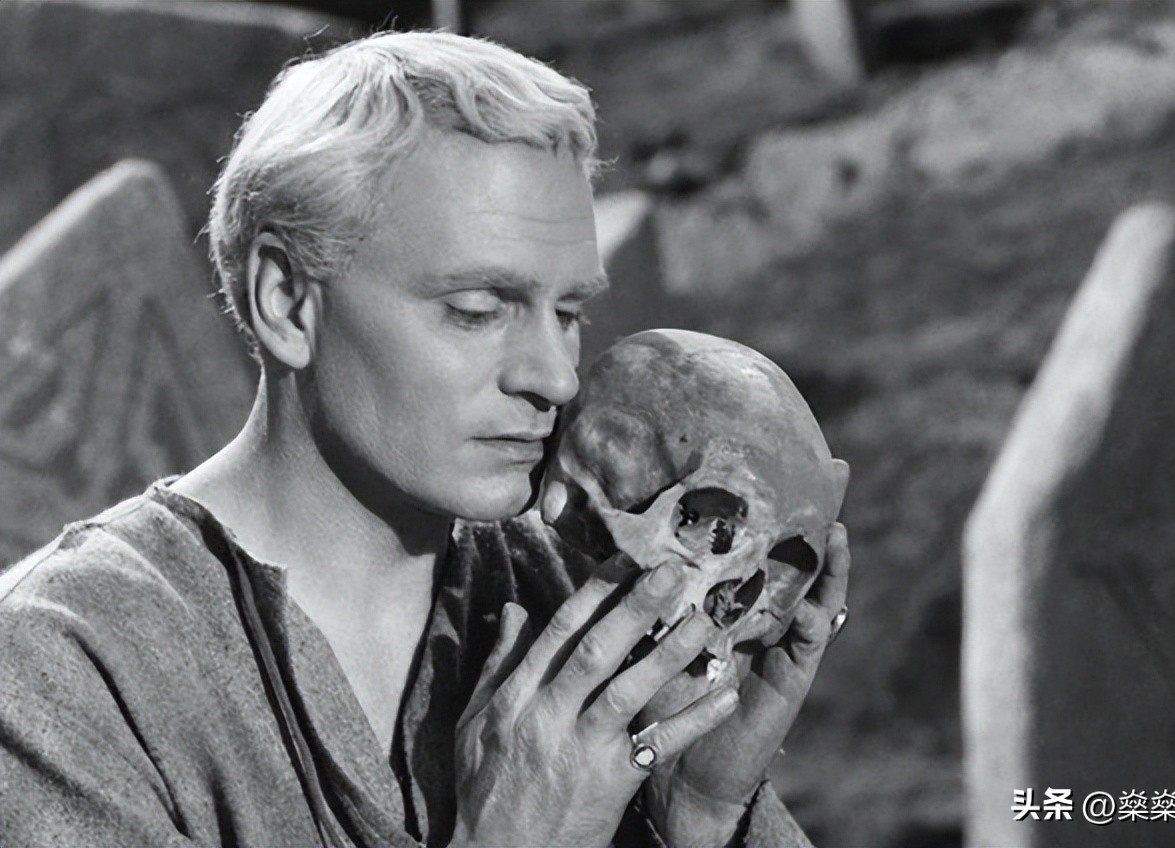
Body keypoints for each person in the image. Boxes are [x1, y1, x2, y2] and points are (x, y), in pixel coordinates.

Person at [0, 31, 850, 848]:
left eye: (567, 312)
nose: (555, 377)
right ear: (287, 302)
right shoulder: (63, 671)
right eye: (477, 310)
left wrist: (694, 820)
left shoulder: (574, 591)